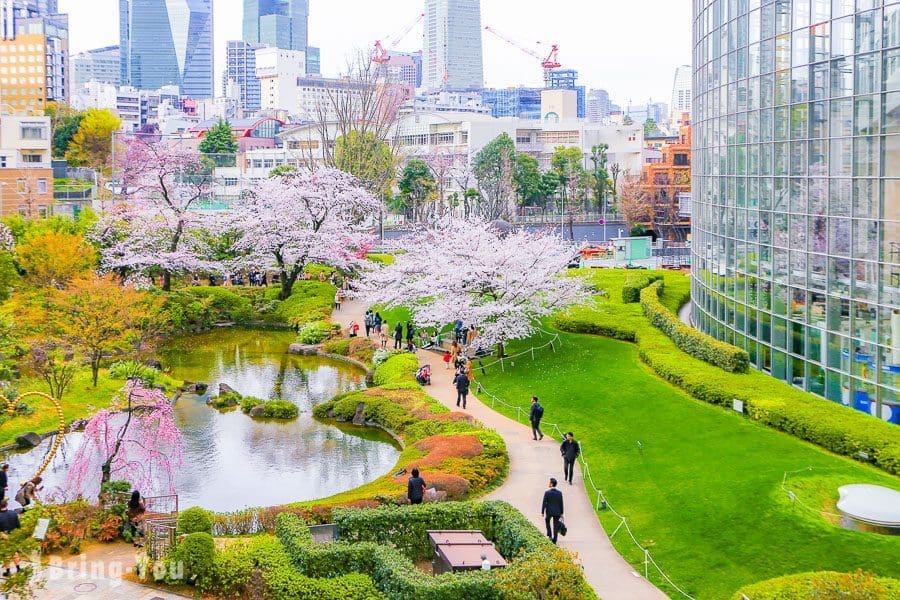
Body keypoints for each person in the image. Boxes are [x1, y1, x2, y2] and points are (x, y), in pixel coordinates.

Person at [0, 499, 22, 576]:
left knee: (6, 555)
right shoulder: (14, 513)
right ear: (6, 505)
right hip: (14, 536)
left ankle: (8, 571)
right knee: (15, 553)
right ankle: (18, 568)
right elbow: (19, 526)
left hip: (4, 538)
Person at [541, 477, 564, 544]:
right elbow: (561, 503)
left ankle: (550, 535)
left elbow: (544, 502)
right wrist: (562, 512)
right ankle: (555, 539)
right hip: (557, 512)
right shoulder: (559, 493)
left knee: (547, 521)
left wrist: (542, 511)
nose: (548, 483)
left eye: (549, 482)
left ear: (551, 484)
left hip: (549, 512)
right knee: (555, 525)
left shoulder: (547, 493)